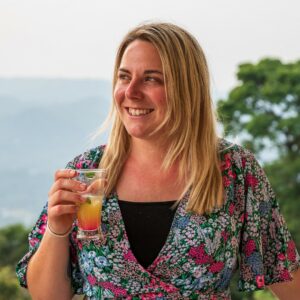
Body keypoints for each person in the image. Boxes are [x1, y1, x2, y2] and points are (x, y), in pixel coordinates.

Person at [16, 22, 300, 300]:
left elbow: (285, 274)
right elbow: (48, 295)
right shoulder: (86, 171)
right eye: (124, 77)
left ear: (187, 88)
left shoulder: (234, 170)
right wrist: (57, 227)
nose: (131, 92)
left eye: (151, 78)